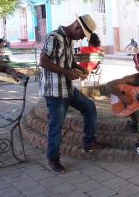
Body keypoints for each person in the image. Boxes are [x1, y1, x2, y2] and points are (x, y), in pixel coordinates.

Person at [39, 14, 102, 173]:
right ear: (77, 27)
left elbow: (69, 61)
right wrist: (68, 72)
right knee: (56, 127)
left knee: (89, 107)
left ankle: (89, 143)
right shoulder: (54, 37)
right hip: (55, 92)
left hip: (67, 89)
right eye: (82, 34)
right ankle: (53, 159)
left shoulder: (69, 39)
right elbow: (43, 62)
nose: (81, 38)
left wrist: (80, 69)